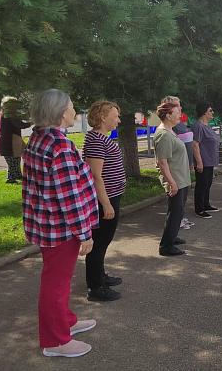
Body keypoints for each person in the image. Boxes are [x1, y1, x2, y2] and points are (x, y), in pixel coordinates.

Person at [22, 89, 98, 358]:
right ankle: (55, 341)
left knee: (59, 280)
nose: (74, 110)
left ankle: (65, 321)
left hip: (47, 223)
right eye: (71, 106)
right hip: (61, 227)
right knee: (56, 283)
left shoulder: (39, 138)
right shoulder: (60, 146)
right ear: (60, 112)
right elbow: (70, 196)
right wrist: (84, 232)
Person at [83, 101, 126, 302]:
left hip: (111, 196)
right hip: (104, 199)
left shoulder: (101, 138)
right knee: (99, 243)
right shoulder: (95, 140)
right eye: (115, 116)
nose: (118, 120)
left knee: (103, 241)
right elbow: (95, 176)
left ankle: (100, 276)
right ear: (103, 117)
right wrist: (106, 204)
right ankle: (95, 287)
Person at [154, 101, 191, 256]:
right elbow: (162, 162)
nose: (180, 115)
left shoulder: (170, 130)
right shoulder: (163, 134)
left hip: (181, 178)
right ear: (168, 115)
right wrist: (172, 183)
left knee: (178, 211)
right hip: (175, 180)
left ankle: (172, 236)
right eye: (177, 113)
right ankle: (166, 246)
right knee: (175, 212)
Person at [162, 96, 195, 230]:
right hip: (175, 169)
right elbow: (163, 159)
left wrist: (190, 161)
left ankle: (179, 219)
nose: (180, 108)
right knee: (175, 201)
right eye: (177, 105)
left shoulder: (179, 124)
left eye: (179, 105)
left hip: (183, 165)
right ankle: (174, 223)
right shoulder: (168, 129)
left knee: (182, 199)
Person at [192, 101, 220, 218]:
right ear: (204, 112)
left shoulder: (206, 125)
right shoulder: (198, 126)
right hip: (203, 161)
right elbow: (195, 144)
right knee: (202, 184)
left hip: (210, 160)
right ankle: (199, 209)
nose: (212, 112)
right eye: (210, 111)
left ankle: (206, 204)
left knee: (207, 183)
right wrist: (199, 162)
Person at [0, 96, 31, 183]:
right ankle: (10, 178)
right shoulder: (10, 116)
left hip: (11, 141)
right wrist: (31, 123)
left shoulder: (4, 115)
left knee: (16, 159)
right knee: (12, 161)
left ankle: (17, 175)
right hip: (9, 143)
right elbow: (20, 125)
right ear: (12, 107)